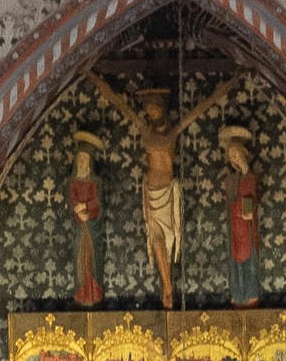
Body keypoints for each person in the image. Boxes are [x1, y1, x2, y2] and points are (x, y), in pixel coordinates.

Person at [89, 71, 241, 308]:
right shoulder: (144, 129)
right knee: (157, 242)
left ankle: (168, 288)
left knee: (168, 243)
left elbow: (202, 107)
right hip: (151, 192)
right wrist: (94, 78)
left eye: (154, 108)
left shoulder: (173, 132)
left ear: (162, 109)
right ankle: (167, 288)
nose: (150, 112)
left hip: (168, 195)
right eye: (148, 109)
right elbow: (119, 104)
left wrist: (228, 83)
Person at [220, 124, 260, 306]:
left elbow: (250, 199)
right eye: (231, 156)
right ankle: (237, 294)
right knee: (235, 260)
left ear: (244, 153)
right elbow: (231, 202)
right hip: (235, 227)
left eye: (237, 154)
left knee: (249, 258)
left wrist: (247, 211)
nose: (235, 158)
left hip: (247, 227)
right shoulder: (230, 180)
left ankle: (251, 294)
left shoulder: (251, 177)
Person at [68, 130, 105, 306]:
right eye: (80, 159)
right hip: (79, 225)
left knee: (93, 259)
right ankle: (82, 292)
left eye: (85, 159)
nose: (82, 162)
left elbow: (97, 202)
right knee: (80, 259)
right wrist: (78, 211)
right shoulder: (73, 182)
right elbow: (73, 201)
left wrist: (86, 210)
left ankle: (94, 292)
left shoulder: (95, 182)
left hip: (92, 224)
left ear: (90, 162)